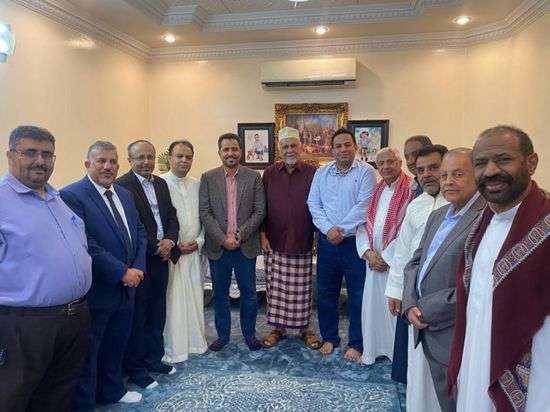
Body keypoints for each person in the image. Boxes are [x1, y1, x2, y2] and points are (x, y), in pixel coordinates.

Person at [448, 126, 550, 412]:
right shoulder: (483, 224)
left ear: (531, 162)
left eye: (503, 159)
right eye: (481, 163)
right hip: (476, 360)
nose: (490, 171)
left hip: (537, 375)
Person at [0, 126, 92, 412]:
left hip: (73, 318)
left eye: (47, 154)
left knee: (59, 394)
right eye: (30, 152)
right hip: (24, 325)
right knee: (14, 397)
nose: (40, 160)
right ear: (10, 155)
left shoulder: (56, 198)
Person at [61, 141, 147, 410]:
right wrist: (121, 271)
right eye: (101, 161)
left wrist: (138, 268)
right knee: (90, 350)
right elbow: (85, 243)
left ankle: (112, 390)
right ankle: (86, 403)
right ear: (88, 164)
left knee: (117, 343)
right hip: (99, 288)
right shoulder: (72, 195)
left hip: (128, 286)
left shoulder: (124, 194)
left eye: (112, 161)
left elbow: (140, 231)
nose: (108, 166)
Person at [402, 148, 485, 412]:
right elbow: (415, 262)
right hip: (426, 326)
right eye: (445, 175)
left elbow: (479, 284)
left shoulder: (486, 218)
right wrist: (409, 303)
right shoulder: (438, 215)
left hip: (456, 331)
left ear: (477, 175)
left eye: (458, 174)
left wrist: (426, 308)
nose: (448, 181)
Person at [385, 144, 449, 412]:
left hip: (444, 294)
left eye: (434, 168)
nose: (426, 175)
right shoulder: (416, 205)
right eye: (421, 170)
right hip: (413, 292)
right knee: (414, 359)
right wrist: (396, 289)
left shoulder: (458, 203)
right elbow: (403, 251)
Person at [307, 128, 377, 361]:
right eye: (338, 146)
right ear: (332, 149)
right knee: (326, 292)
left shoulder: (366, 172)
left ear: (355, 147)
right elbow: (313, 204)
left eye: (347, 145)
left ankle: (356, 343)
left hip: (355, 242)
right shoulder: (322, 173)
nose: (343, 149)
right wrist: (328, 229)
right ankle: (330, 337)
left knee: (358, 294)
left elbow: (365, 205)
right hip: (327, 242)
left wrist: (341, 230)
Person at [116, 140, 180, 388]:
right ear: (130, 160)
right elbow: (134, 225)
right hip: (140, 260)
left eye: (150, 157)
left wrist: (170, 241)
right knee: (138, 316)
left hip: (162, 259)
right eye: (140, 157)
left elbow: (171, 216)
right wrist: (158, 246)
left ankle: (154, 359)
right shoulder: (122, 186)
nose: (146, 162)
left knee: (157, 311)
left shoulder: (161, 183)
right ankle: (137, 368)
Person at [199, 133, 266, 352]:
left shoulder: (253, 177)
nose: (230, 153)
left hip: (245, 246)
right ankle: (223, 336)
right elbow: (205, 212)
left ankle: (250, 335)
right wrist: (223, 239)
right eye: (226, 149)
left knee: (249, 294)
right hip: (218, 247)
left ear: (241, 151)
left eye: (234, 149)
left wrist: (240, 235)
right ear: (219, 152)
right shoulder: (208, 178)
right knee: (220, 295)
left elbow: (259, 210)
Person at [260, 127, 320, 349]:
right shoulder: (269, 173)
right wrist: (262, 234)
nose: (290, 150)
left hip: (303, 238)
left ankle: (305, 328)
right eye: (285, 146)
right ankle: (278, 328)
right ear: (279, 149)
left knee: (302, 290)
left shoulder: (313, 173)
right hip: (274, 239)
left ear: (301, 147)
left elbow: (320, 205)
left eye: (294, 145)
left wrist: (317, 235)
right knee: (276, 289)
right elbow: (262, 207)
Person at [356, 148, 414, 364]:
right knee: (373, 310)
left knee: (393, 309)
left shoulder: (411, 190)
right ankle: (373, 350)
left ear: (400, 163)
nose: (386, 166)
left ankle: (394, 354)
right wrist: (368, 253)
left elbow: (409, 231)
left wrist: (386, 258)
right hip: (373, 263)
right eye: (381, 163)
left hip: (395, 264)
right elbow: (363, 225)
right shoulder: (376, 190)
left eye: (391, 162)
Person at [388, 134, 433, 384]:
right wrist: (396, 288)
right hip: (411, 277)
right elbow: (404, 246)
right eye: (408, 156)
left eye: (417, 154)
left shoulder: (448, 196)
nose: (413, 160)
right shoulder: (417, 195)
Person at [161, 140, 208, 362]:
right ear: (170, 157)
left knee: (194, 298)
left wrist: (199, 241)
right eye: (179, 156)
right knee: (174, 302)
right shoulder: (160, 184)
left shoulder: (198, 184)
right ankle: (175, 348)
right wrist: (174, 244)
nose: (184, 160)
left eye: (188, 157)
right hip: (172, 254)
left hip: (194, 251)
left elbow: (205, 218)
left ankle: (196, 343)